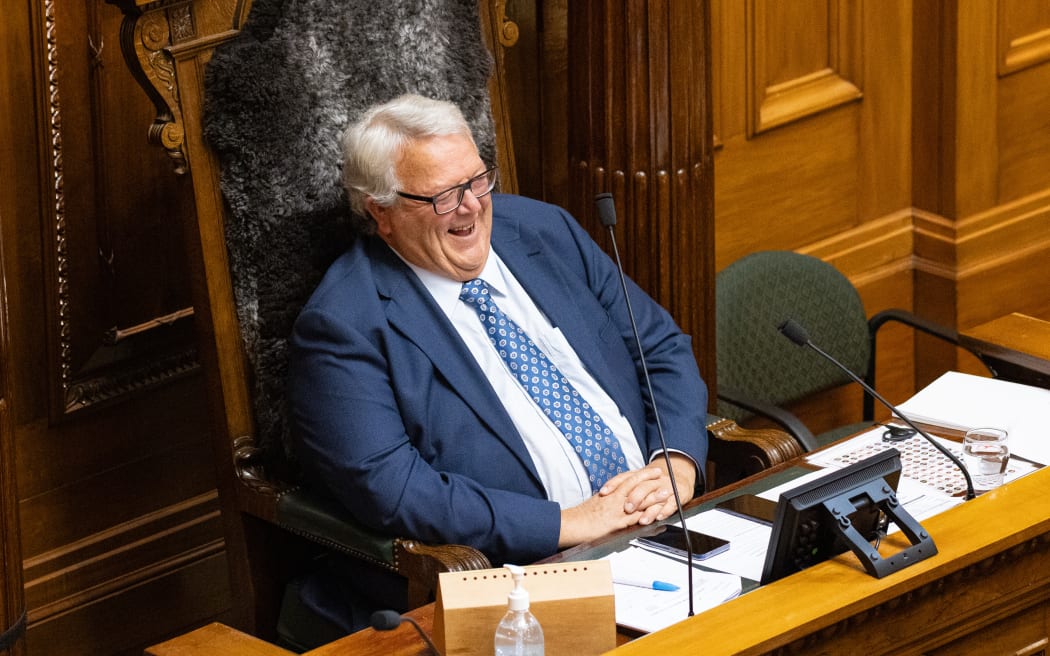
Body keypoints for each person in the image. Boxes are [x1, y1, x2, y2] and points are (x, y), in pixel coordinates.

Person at [287, 93, 708, 636]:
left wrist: (676, 460)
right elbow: (391, 487)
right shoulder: (344, 324)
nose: (471, 207)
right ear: (381, 212)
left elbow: (661, 347)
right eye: (442, 196)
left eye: (477, 180)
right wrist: (567, 522)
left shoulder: (543, 231)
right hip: (523, 581)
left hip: (665, 528)